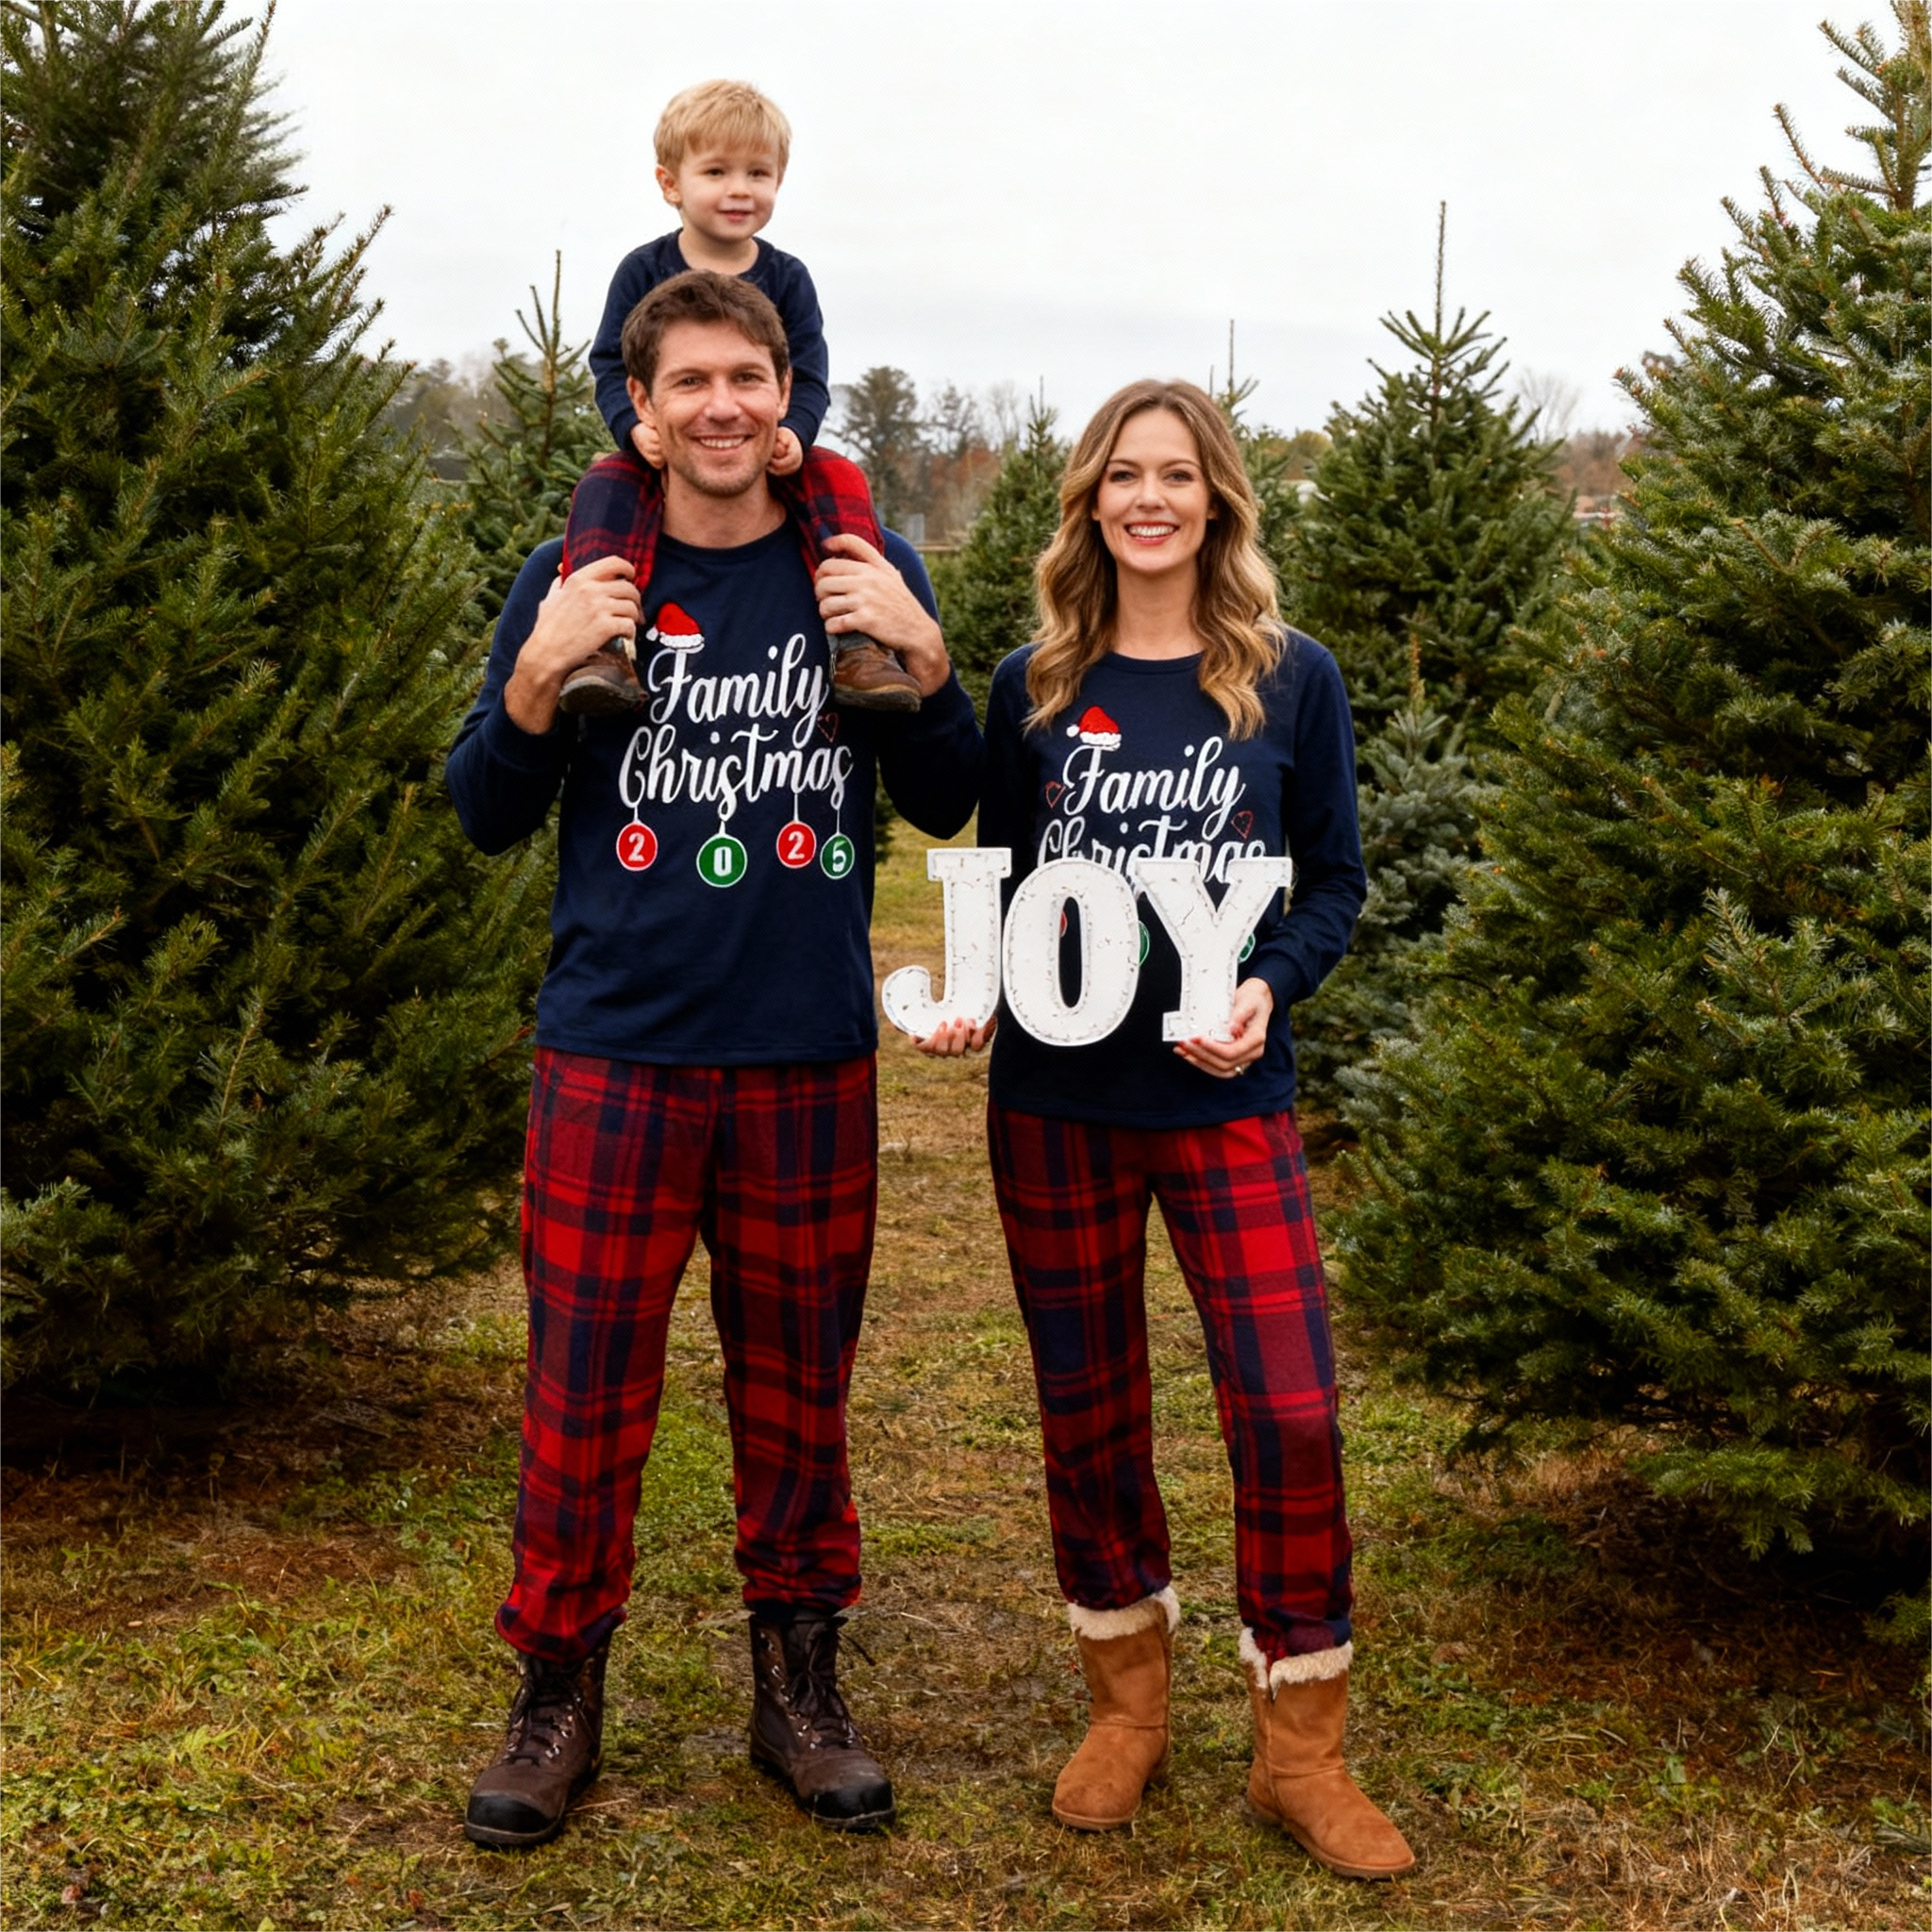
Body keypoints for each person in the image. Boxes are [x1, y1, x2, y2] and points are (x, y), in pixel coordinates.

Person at [444, 269, 982, 1850]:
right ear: (641, 405)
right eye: (690, 382)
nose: (723, 406)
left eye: (748, 376)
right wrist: (537, 676)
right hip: (615, 1046)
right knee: (583, 1388)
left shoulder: (862, 571)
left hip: (801, 1052)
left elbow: (951, 799)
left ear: (786, 393)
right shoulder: (578, 572)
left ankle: (797, 1686)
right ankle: (555, 1694)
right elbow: (481, 807)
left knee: (798, 1390)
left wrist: (930, 663)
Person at [924, 380, 1413, 1881]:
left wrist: (1268, 987)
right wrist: (977, 997)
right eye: (1121, 476)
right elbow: (1004, 881)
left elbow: (1331, 878)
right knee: (1088, 1407)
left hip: (1224, 1103)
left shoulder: (1292, 679)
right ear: (1088, 501)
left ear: (1217, 501)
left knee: (1289, 1409)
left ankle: (1300, 1743)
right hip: (1060, 1108)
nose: (1149, 499)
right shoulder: (1035, 686)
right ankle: (1124, 1702)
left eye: (1177, 475)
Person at [564, 77, 921, 718]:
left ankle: (859, 643)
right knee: (602, 488)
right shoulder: (643, 271)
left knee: (838, 477)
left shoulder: (787, 278)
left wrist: (798, 432)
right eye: (717, 171)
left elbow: (807, 373)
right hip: (658, 453)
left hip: (772, 451)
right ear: (670, 184)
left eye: (759, 173)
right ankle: (605, 647)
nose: (739, 189)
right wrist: (629, 428)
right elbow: (611, 362)